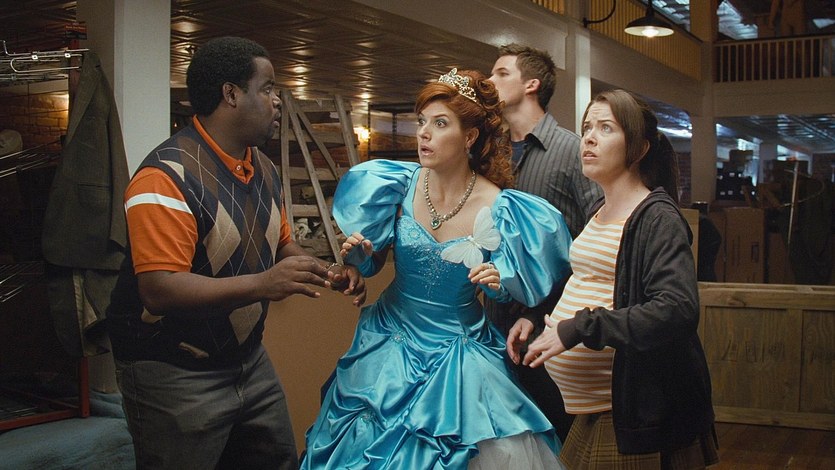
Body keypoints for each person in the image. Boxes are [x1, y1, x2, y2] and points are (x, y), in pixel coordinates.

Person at [107, 36, 365, 470]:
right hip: (174, 370)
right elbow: (159, 289)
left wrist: (326, 271)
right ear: (230, 94)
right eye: (267, 88)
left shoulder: (262, 167)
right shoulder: (164, 177)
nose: (277, 101)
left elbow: (279, 245)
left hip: (248, 360)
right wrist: (263, 284)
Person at [300, 69, 573, 469]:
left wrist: (497, 284)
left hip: (458, 352)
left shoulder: (504, 208)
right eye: (422, 121)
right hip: (387, 342)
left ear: (469, 136)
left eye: (440, 123)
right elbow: (372, 264)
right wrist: (358, 259)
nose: (423, 133)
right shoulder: (397, 184)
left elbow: (517, 287)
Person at [513, 89, 719, 469]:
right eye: (587, 127)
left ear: (639, 148)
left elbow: (677, 309)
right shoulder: (598, 209)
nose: (589, 138)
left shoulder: (656, 217)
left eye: (605, 128)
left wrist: (578, 328)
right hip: (595, 409)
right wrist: (536, 314)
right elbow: (584, 279)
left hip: (633, 411)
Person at [487, 43, 602, 441]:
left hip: (552, 328)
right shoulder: (492, 152)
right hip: (494, 323)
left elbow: (594, 242)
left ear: (531, 84)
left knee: (557, 441)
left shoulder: (573, 151)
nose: (490, 80)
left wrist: (541, 314)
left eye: (502, 73)